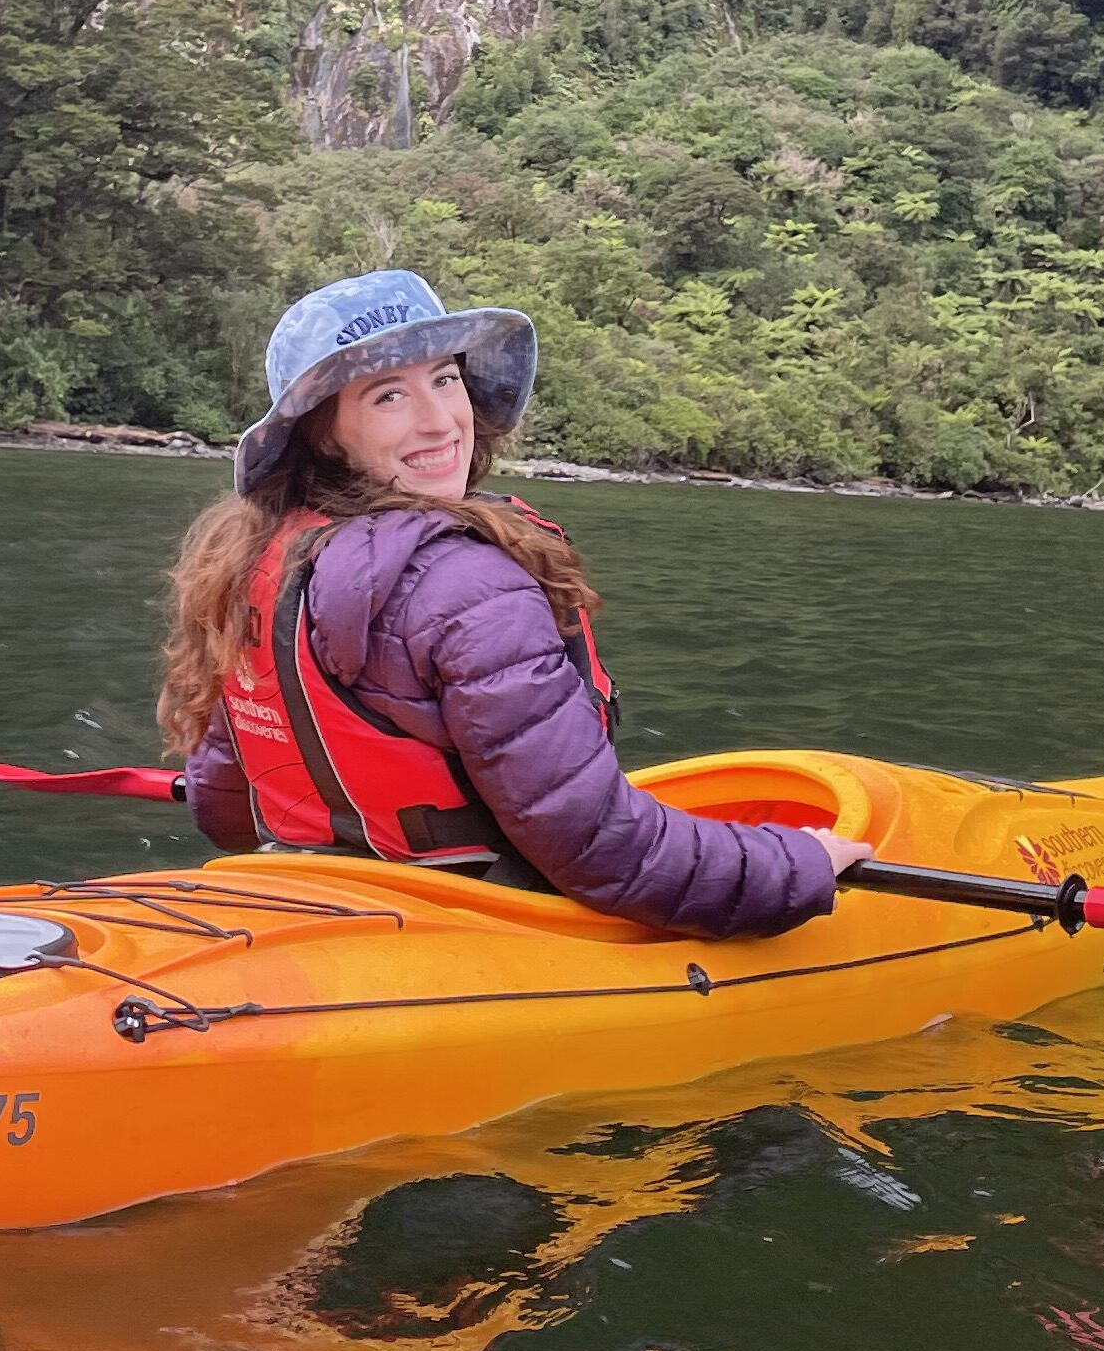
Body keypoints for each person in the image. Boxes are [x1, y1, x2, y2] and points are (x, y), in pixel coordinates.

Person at [157, 271, 863, 938]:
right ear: (323, 432)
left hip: (313, 897)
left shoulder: (255, 563)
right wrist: (799, 866)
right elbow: (600, 851)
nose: (439, 422)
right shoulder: (466, 585)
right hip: (472, 913)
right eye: (388, 396)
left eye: (444, 380)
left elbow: (226, 805)